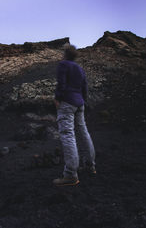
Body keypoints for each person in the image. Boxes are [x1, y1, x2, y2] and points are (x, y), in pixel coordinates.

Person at [53, 43, 96, 186]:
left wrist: (58, 98)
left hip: (67, 103)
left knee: (67, 134)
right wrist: (83, 101)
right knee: (84, 133)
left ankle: (71, 174)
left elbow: (61, 84)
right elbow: (85, 88)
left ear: (65, 53)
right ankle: (90, 166)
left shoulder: (63, 65)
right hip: (80, 103)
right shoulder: (80, 69)